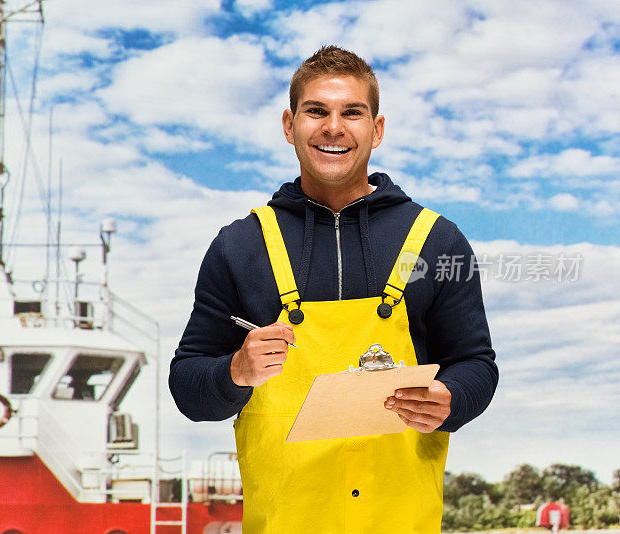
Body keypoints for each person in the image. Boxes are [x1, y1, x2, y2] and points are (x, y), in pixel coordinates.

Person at [169, 45, 498, 533]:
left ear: (377, 129)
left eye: (352, 113)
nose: (333, 127)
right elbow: (188, 386)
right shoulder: (240, 245)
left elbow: (477, 364)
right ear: (289, 125)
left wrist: (452, 398)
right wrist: (236, 370)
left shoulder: (435, 240)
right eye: (316, 111)